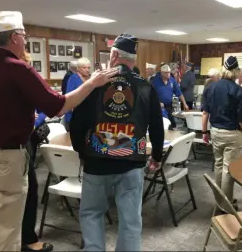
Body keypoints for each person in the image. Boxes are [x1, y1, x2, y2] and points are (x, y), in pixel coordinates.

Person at [0, 11, 118, 252]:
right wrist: (92, 83)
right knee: (6, 227)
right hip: (3, 158)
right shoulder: (18, 69)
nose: (25, 40)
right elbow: (58, 107)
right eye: (24, 35)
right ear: (15, 37)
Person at [69, 33, 164, 251]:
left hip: (96, 162)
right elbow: (157, 127)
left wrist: (81, 152)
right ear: (133, 58)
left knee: (92, 214)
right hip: (131, 163)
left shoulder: (94, 85)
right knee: (131, 221)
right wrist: (157, 155)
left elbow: (77, 124)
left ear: (113, 55)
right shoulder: (146, 87)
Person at [202, 56, 242, 212]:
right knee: (229, 169)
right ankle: (227, 205)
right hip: (233, 133)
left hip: (215, 131)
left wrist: (204, 132)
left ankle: (219, 200)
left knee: (219, 165)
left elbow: (205, 113)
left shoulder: (211, 88)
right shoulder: (239, 91)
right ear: (236, 71)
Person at [21, 52, 53, 251]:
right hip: (17, 145)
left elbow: (43, 110)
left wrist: (36, 120)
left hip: (26, 139)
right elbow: (54, 105)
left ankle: (24, 236)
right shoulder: (22, 78)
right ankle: (27, 239)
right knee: (28, 189)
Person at [152, 64, 189, 129]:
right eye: (166, 73)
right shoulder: (155, 81)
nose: (168, 74)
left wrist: (184, 103)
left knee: (173, 124)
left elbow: (179, 93)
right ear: (161, 73)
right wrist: (157, 102)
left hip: (169, 106)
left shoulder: (172, 81)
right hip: (159, 108)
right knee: (164, 125)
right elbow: (151, 95)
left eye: (169, 72)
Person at [64, 57, 92, 131]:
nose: (87, 70)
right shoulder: (73, 78)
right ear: (78, 68)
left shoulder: (91, 78)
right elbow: (68, 98)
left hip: (90, 115)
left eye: (88, 68)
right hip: (76, 115)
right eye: (84, 68)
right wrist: (69, 118)